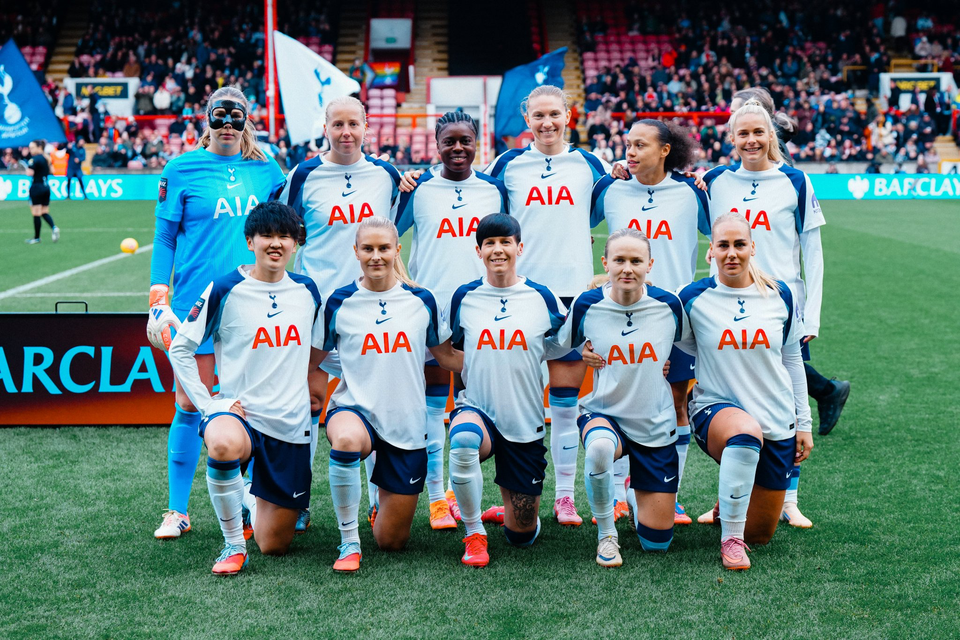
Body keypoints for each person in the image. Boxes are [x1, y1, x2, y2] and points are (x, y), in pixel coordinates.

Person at [401, 86, 609, 524]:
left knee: (564, 400)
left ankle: (564, 496)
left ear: (569, 115)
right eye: (538, 115)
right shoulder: (505, 168)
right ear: (525, 118)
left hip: (566, 293)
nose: (547, 122)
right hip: (490, 298)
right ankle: (448, 495)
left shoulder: (592, 164)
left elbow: (594, 214)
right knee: (472, 397)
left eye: (554, 114)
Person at [147, 86, 286, 541]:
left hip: (250, 305)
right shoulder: (181, 168)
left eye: (236, 116)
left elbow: (287, 223)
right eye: (220, 116)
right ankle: (177, 510)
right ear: (206, 118)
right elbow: (166, 236)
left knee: (245, 403)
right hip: (194, 304)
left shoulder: (266, 169)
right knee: (189, 404)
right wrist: (158, 294)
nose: (228, 124)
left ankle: (247, 499)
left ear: (247, 119)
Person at [702, 99, 847, 529]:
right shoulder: (713, 182)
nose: (751, 140)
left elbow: (813, 252)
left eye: (758, 132)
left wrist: (812, 315)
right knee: (731, 399)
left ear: (771, 136)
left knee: (785, 400)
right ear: (731, 139)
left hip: (782, 310)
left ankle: (788, 498)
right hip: (724, 308)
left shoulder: (795, 181)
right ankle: (727, 497)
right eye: (742, 133)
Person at [168, 202, 324, 575]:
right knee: (221, 441)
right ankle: (233, 545)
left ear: (296, 243)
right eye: (266, 236)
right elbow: (181, 347)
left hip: (289, 423)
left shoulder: (307, 290)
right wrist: (210, 405)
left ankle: (252, 502)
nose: (275, 243)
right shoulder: (225, 287)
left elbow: (322, 352)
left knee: (274, 545)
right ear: (250, 241)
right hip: (241, 417)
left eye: (284, 236)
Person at [280, 95, 402, 533]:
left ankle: (375, 500)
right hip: (314, 309)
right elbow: (286, 229)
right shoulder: (305, 174)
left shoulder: (386, 175)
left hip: (369, 307)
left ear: (367, 126)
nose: (346, 132)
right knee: (309, 403)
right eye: (338, 124)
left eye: (354, 124)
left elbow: (392, 232)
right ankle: (298, 499)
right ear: (326, 128)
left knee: (376, 401)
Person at [316, 216, 461, 572]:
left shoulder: (420, 300)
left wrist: (513, 358)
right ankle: (349, 541)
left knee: (391, 542)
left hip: (407, 424)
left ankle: (380, 506)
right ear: (356, 251)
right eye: (368, 249)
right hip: (354, 410)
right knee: (347, 440)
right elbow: (312, 360)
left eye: (384, 248)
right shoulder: (339, 302)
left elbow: (446, 357)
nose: (376, 256)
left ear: (398, 250)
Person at [676, 212, 813, 570]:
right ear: (712, 252)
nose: (732, 253)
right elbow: (671, 345)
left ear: (753, 247)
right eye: (723, 245)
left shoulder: (779, 294)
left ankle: (732, 503)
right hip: (716, 410)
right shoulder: (692, 298)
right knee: (743, 435)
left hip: (776, 418)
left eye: (740, 244)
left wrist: (804, 424)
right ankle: (730, 541)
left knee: (761, 534)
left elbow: (794, 361)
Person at [591, 119, 708, 527]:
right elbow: (573, 226)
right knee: (622, 401)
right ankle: (622, 491)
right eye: (627, 144)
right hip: (619, 315)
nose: (630, 151)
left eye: (640, 145)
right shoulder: (610, 188)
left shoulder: (693, 191)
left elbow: (724, 233)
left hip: (673, 318)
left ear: (665, 150)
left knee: (675, 403)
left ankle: (668, 493)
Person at [396, 111, 508, 530]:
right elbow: (389, 234)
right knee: (427, 408)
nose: (457, 148)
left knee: (474, 407)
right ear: (436, 144)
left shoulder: (493, 190)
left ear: (477, 142)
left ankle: (473, 500)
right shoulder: (420, 186)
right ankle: (435, 497)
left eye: (465, 140)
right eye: (449, 141)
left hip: (479, 312)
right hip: (429, 312)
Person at [558, 228, 690, 567]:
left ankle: (634, 496)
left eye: (635, 261)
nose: (627, 268)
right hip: (605, 414)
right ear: (606, 263)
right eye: (619, 260)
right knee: (600, 449)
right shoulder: (588, 304)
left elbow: (694, 344)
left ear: (650, 265)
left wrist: (668, 361)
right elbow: (556, 345)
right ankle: (606, 535)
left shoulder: (668, 305)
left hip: (654, 422)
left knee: (656, 543)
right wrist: (583, 353)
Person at [446, 214, 568, 567]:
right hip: (477, 409)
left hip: (524, 420)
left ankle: (510, 510)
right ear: (478, 251)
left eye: (505, 242)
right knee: (465, 439)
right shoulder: (464, 296)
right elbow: (451, 349)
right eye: (489, 243)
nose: (497, 250)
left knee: (522, 537)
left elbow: (566, 341)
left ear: (519, 247)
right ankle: (473, 533)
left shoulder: (541, 297)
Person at [24, 139, 59, 245]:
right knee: (44, 211)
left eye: (32, 148)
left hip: (36, 187)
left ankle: (37, 237)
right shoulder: (46, 158)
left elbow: (29, 173)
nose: (30, 150)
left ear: (39, 148)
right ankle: (54, 227)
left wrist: (27, 164)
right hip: (46, 187)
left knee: (36, 213)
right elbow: (52, 171)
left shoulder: (34, 159)